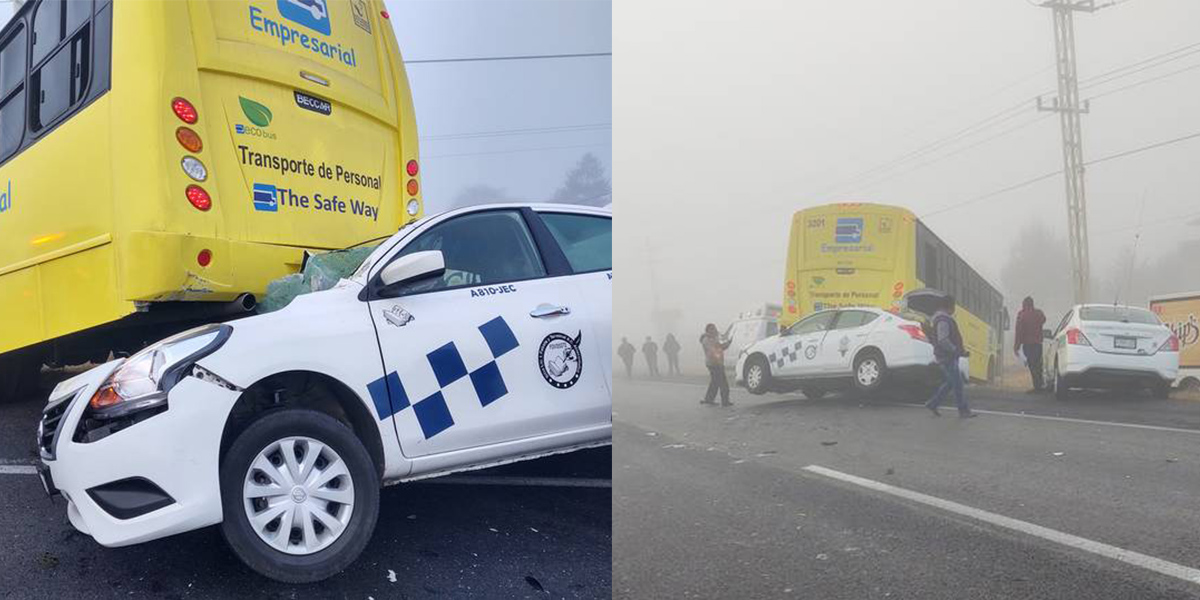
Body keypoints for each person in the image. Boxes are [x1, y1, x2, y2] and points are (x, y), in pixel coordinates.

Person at [925, 295, 975, 418]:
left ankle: (932, 403)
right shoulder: (943, 320)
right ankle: (963, 410)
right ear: (950, 306)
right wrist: (956, 350)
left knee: (951, 383)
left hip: (947, 356)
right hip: (947, 357)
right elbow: (943, 340)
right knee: (958, 384)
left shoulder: (941, 319)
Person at [1013, 296, 1047, 392]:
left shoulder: (1022, 315)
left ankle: (1037, 387)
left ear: (1024, 304)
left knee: (1032, 365)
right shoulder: (1039, 313)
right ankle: (1040, 385)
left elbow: (1018, 332)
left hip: (1028, 345)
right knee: (1038, 364)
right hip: (1038, 344)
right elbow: (1044, 319)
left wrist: (1016, 346)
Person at [700, 323, 732, 406]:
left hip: (717, 363)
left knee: (714, 382)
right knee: (723, 383)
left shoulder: (714, 338)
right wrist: (718, 356)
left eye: (714, 328)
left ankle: (708, 399)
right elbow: (713, 350)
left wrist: (727, 344)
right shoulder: (706, 340)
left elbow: (720, 347)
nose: (715, 330)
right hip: (713, 364)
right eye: (712, 329)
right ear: (708, 330)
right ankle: (725, 401)